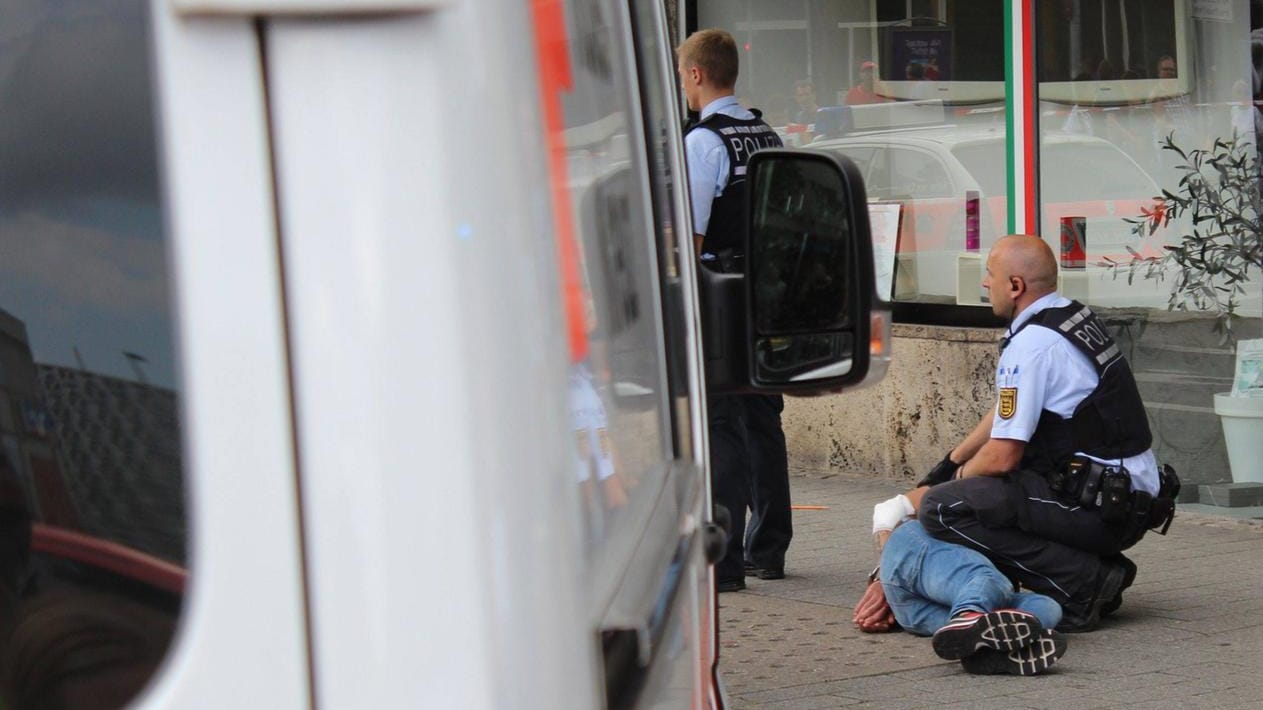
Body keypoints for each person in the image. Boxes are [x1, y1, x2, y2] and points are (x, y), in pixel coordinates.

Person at [916, 235, 1178, 632]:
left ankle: (1082, 583)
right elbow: (1007, 412)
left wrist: (948, 485)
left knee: (945, 509)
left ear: (1016, 286)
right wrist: (950, 462)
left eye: (990, 274)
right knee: (965, 490)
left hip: (1104, 509)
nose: (985, 283)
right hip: (1126, 500)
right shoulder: (1068, 317)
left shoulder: (1032, 345)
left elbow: (1003, 455)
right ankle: (1101, 570)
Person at [676, 29, 789, 592]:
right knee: (764, 418)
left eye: (682, 74)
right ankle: (769, 546)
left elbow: (693, 234)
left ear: (696, 74)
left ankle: (726, 564)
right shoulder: (767, 132)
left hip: (721, 292)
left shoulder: (703, 142)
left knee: (722, 422)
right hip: (765, 289)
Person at [854, 486, 1068, 676]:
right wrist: (882, 572)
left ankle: (989, 652)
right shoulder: (974, 471)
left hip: (923, 610)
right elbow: (890, 508)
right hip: (913, 551)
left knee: (1047, 607)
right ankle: (967, 618)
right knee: (989, 580)